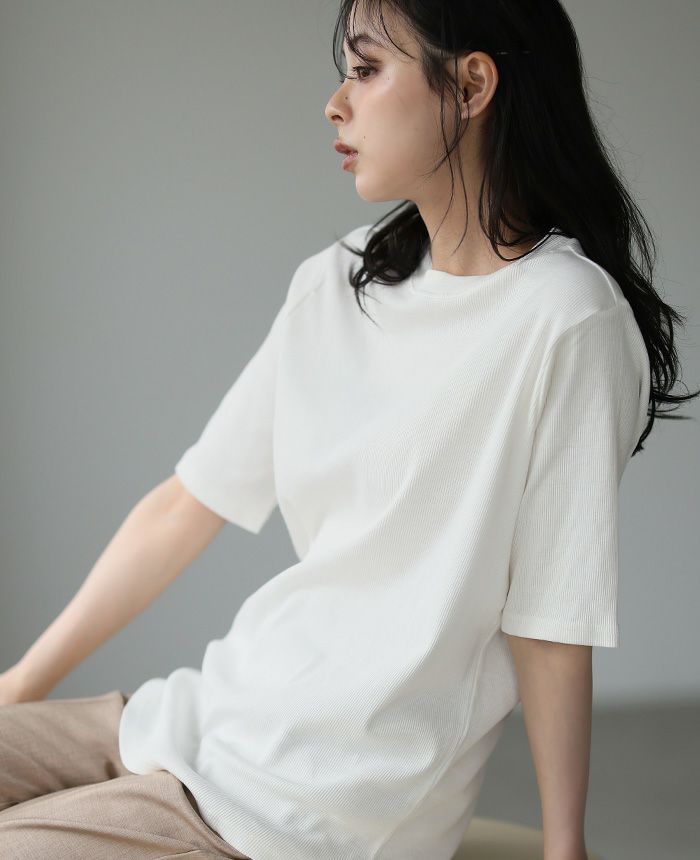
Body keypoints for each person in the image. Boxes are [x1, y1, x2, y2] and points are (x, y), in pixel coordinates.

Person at [1, 1, 697, 859]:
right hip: (196, 718)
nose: (335, 103)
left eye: (367, 70)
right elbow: (186, 505)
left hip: (303, 807)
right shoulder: (340, 280)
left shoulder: (565, 319)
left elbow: (550, 616)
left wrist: (565, 846)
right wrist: (19, 687)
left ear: (472, 84)